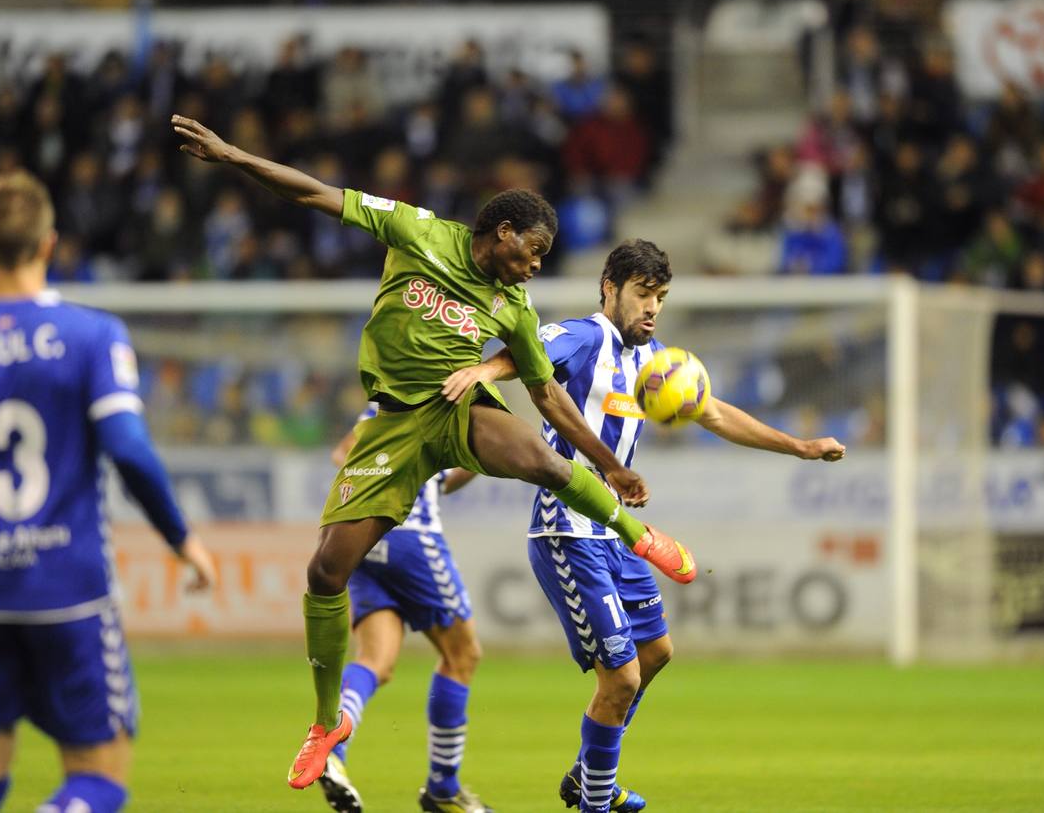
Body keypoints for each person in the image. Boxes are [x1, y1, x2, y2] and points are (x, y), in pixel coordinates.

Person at [169, 115, 695, 805]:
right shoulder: (419, 232)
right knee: (325, 570)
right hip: (391, 428)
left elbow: (548, 398)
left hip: (454, 412)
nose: (536, 265)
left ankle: (640, 539)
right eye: (532, 251)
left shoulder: (512, 306)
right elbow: (316, 194)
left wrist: (612, 468)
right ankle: (325, 727)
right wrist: (235, 155)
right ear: (501, 233)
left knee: (538, 457)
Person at [443, 240, 846, 813]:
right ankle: (596, 801)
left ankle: (588, 775)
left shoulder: (657, 362)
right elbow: (527, 351)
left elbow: (715, 411)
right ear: (610, 287)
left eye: (660, 296)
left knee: (656, 653)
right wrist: (485, 368)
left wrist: (800, 446)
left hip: (616, 532)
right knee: (623, 678)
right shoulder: (587, 336)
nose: (652, 307)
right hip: (568, 531)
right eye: (642, 294)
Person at [0, 170, 218, 813]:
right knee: (101, 776)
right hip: (71, 591)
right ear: (50, 243)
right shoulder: (93, 337)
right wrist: (181, 538)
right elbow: (129, 451)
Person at [319, 405, 487, 813]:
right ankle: (442, 789)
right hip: (411, 536)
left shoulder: (379, 407)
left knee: (377, 660)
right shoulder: (439, 399)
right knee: (462, 654)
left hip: (359, 536)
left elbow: (342, 454)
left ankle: (331, 754)